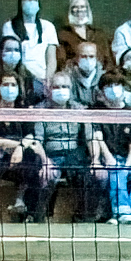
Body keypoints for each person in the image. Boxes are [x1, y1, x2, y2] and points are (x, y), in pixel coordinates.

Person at [87, 71, 131, 225]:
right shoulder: (97, 110)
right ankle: (121, 209)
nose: (114, 89)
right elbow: (98, 137)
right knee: (116, 170)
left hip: (127, 161)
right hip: (107, 160)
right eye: (109, 85)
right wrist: (108, 157)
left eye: (117, 84)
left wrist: (127, 167)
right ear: (102, 91)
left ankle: (128, 212)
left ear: (124, 87)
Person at [0, 71, 50, 222]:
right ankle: (26, 207)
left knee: (34, 161)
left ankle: (28, 210)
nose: (9, 88)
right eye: (5, 84)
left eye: (13, 84)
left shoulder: (23, 109)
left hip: (19, 160)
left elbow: (30, 135)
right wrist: (19, 145)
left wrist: (20, 148)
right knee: (30, 161)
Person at [34, 71, 92, 222]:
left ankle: (82, 219)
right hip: (51, 155)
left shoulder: (79, 110)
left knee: (85, 176)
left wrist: (95, 160)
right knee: (47, 177)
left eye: (65, 86)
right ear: (49, 89)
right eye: (57, 87)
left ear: (71, 89)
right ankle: (39, 218)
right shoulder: (40, 110)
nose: (61, 90)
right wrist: (45, 161)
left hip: (74, 155)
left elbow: (90, 138)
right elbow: (37, 140)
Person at [0, 0, 59, 85]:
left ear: (39, 4)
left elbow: (51, 59)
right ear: (20, 3)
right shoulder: (9, 26)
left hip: (42, 79)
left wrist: (48, 81)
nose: (31, 2)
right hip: (19, 78)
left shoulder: (48, 26)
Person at [57, 0, 112, 72]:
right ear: (70, 10)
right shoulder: (63, 35)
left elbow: (108, 60)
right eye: (75, 7)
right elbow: (61, 62)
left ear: (87, 10)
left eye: (82, 7)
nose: (79, 11)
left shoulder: (99, 35)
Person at [0, 34, 43, 105]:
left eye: (16, 50)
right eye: (8, 50)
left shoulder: (27, 75)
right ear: (1, 52)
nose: (13, 53)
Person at [67, 39, 104, 107]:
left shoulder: (103, 77)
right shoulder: (69, 77)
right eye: (84, 56)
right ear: (77, 58)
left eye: (91, 56)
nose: (88, 60)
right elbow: (69, 100)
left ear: (97, 58)